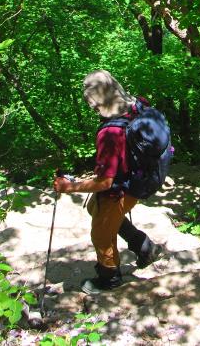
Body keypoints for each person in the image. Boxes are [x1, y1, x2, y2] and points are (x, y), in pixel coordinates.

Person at [53, 69, 162, 294]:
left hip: (122, 188)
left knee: (101, 234)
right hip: (142, 177)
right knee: (94, 207)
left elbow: (105, 183)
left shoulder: (110, 132)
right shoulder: (136, 106)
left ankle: (109, 278)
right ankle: (144, 246)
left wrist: (69, 187)